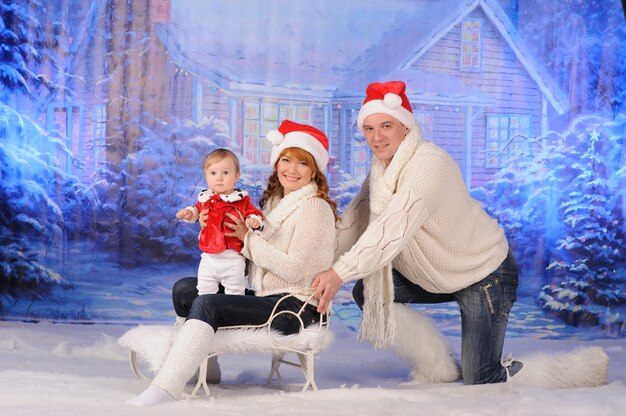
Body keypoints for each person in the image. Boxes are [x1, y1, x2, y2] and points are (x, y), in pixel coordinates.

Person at [311, 80, 609, 387]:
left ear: (405, 127)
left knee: (482, 376)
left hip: (484, 274)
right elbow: (354, 224)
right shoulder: (380, 172)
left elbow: (391, 229)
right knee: (370, 291)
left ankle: (578, 368)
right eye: (369, 129)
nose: (377, 137)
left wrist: (338, 273)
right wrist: (314, 264)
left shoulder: (428, 163)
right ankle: (435, 364)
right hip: (435, 273)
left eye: (386, 125)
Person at [128, 120, 338, 406]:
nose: (291, 169)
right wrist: (212, 229)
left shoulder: (314, 207)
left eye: (303, 163)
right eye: (286, 160)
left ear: (315, 170)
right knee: (186, 290)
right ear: (277, 163)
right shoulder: (276, 204)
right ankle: (207, 367)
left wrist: (247, 240)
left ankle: (166, 385)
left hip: (295, 308)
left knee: (209, 303)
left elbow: (294, 269)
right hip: (270, 297)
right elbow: (254, 261)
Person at [176, 148, 263, 298]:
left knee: (234, 292)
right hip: (209, 257)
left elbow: (254, 213)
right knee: (204, 290)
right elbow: (197, 210)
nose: (219, 178)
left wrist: (254, 220)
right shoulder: (205, 198)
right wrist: (189, 213)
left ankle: (234, 317)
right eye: (213, 173)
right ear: (206, 176)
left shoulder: (241, 200)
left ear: (237, 176)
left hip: (233, 258)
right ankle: (203, 315)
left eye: (225, 173)